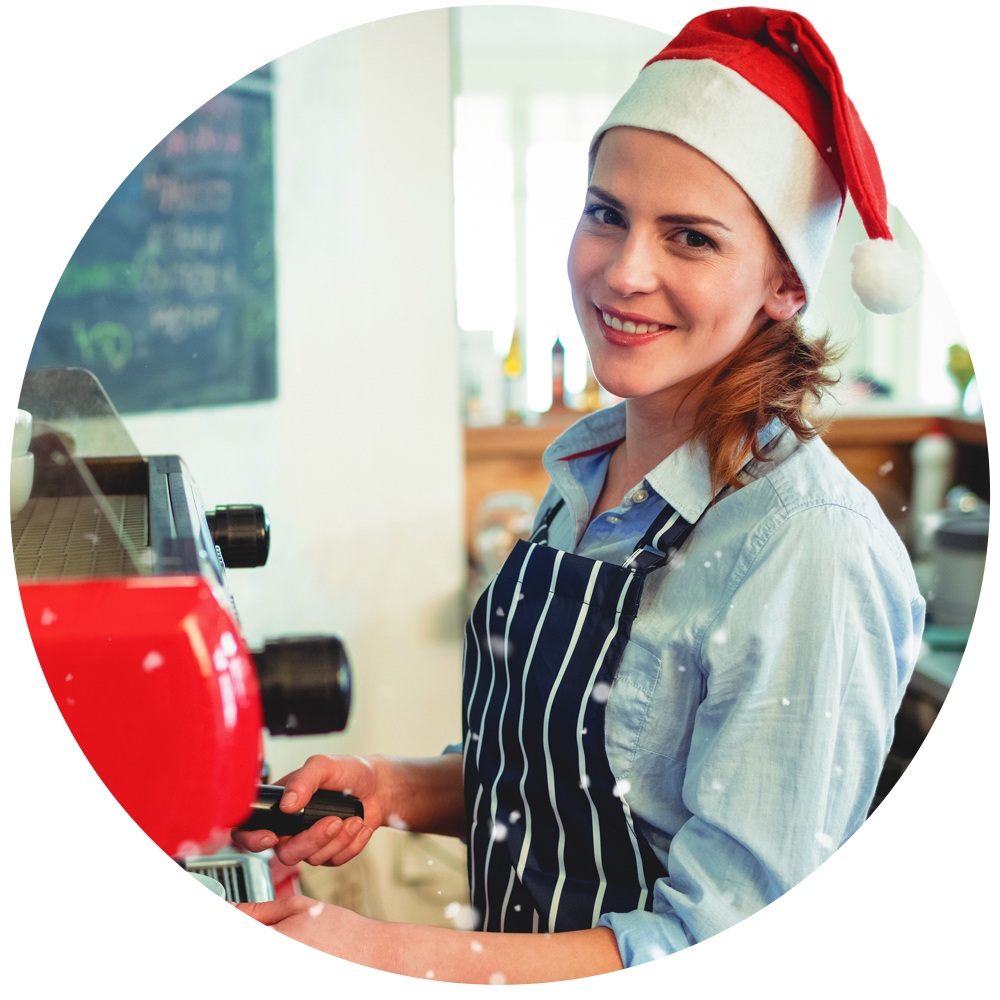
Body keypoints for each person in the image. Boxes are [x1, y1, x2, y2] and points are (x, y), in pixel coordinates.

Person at [232, 7, 925, 982]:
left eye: (689, 237)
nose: (623, 270)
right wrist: (393, 788)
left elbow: (725, 948)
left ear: (783, 285)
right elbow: (574, 771)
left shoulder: (805, 548)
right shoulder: (586, 477)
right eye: (606, 213)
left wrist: (369, 948)